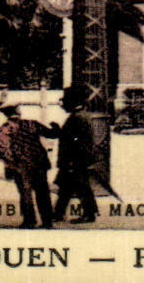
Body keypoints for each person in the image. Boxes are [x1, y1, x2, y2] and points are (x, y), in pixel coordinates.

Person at [0, 104, 57, 228]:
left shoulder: (3, 129)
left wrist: (13, 164)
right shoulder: (31, 124)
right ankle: (47, 222)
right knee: (43, 192)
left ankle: (29, 221)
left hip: (21, 165)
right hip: (38, 163)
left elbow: (1, 151)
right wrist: (55, 126)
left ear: (6, 116)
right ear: (19, 114)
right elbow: (52, 134)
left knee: (25, 193)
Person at [52, 91, 99, 224]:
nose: (63, 104)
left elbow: (75, 141)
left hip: (75, 160)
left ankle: (89, 214)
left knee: (81, 187)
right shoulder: (79, 116)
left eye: (65, 101)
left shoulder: (77, 118)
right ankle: (59, 214)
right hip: (75, 160)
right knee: (67, 188)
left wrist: (72, 162)